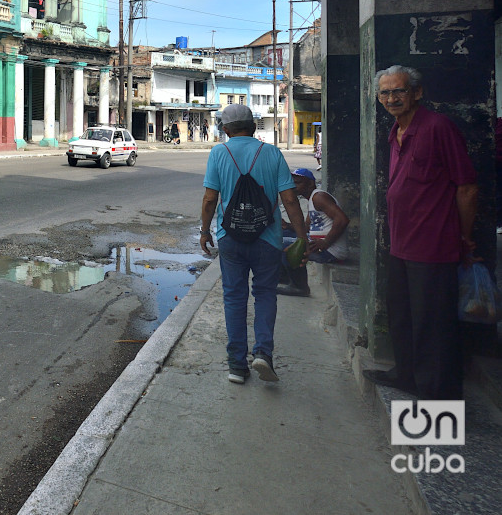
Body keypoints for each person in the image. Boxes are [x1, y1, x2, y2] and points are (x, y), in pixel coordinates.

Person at [363, 65, 477, 400]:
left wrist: (465, 236)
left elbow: (467, 188)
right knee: (402, 315)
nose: (391, 98)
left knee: (433, 324)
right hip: (400, 242)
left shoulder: (438, 128)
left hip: (433, 243)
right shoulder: (396, 131)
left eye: (398, 91)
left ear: (417, 93)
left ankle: (436, 395)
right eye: (384, 93)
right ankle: (406, 374)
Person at [199, 103, 307, 384]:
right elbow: (290, 199)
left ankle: (236, 366)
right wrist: (301, 236)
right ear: (253, 125)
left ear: (225, 129)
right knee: (265, 295)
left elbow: (210, 198)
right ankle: (263, 354)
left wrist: (205, 231)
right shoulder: (271, 153)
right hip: (267, 238)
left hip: (230, 238)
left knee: (234, 297)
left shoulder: (218, 153)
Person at [276, 167, 351, 297]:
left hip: (331, 250)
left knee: (283, 245)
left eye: (298, 182)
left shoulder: (319, 197)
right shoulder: (312, 200)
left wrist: (326, 242)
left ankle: (299, 286)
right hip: (319, 244)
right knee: (278, 236)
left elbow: (342, 219)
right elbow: (305, 229)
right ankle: (286, 277)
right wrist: (287, 226)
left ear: (310, 183)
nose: (294, 186)